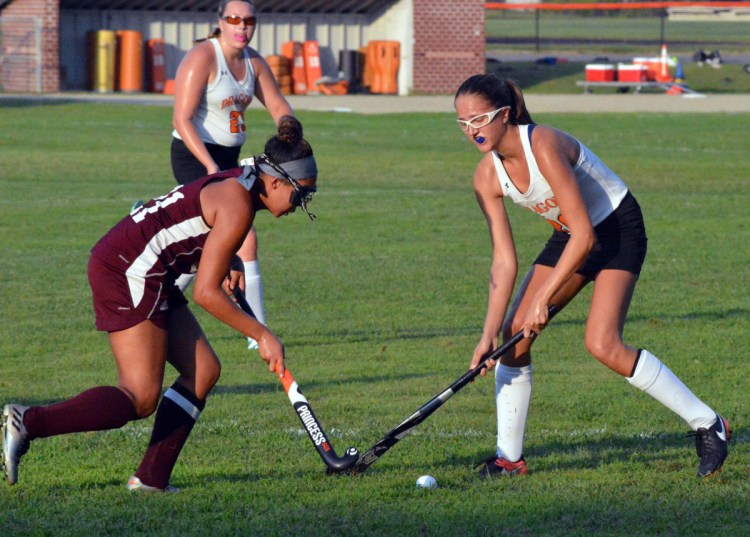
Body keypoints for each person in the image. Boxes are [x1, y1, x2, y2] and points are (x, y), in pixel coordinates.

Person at [2, 117, 318, 492]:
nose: (301, 205)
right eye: (301, 195)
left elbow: (195, 219)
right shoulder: (239, 205)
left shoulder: (246, 177)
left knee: (202, 371)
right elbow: (206, 293)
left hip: (148, 266)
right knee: (140, 395)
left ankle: (150, 480)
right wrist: (262, 335)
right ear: (277, 181)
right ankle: (27, 421)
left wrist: (227, 257)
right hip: (127, 268)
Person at [454, 74, 730, 479]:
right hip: (570, 235)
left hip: (616, 228)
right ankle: (508, 460)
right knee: (513, 340)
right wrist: (487, 333)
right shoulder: (486, 177)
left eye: (479, 119)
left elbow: (586, 235)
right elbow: (503, 263)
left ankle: (710, 424)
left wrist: (543, 300)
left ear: (505, 115)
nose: (471, 130)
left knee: (602, 343)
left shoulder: (543, 144)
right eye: (462, 122)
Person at [171, 0, 295, 349]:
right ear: (221, 21)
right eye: (234, 19)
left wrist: (290, 134)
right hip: (194, 155)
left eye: (249, 21)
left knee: (206, 243)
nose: (242, 27)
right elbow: (181, 119)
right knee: (241, 237)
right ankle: (257, 333)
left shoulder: (254, 61)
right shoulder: (202, 58)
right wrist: (210, 170)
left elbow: (278, 104)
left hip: (227, 159)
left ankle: (162, 299)